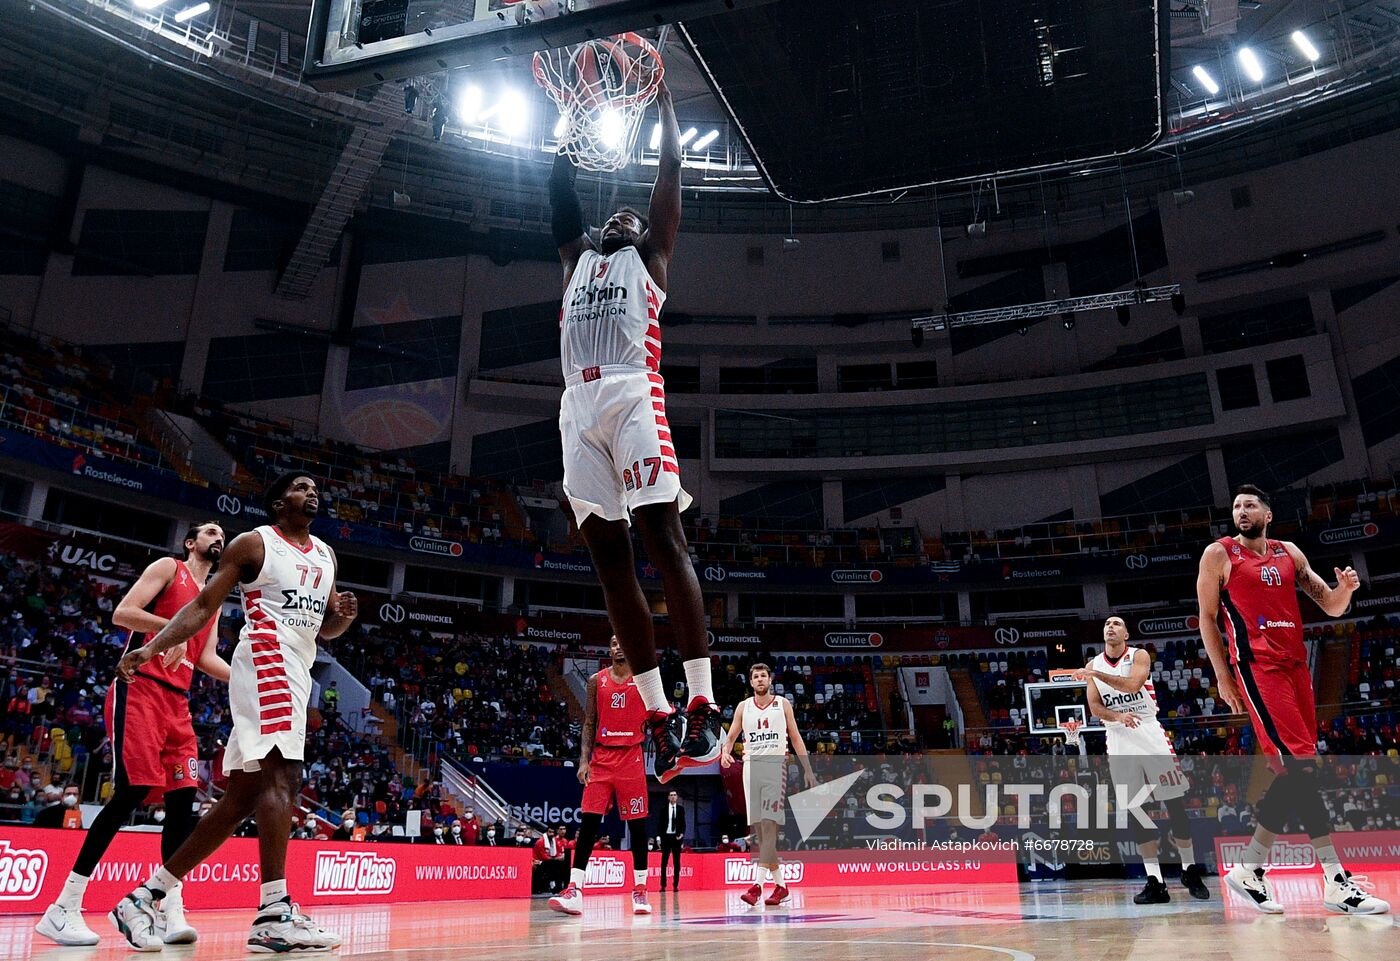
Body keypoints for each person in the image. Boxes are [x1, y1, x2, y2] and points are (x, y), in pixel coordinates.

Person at [547, 77, 720, 783]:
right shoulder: (576, 260)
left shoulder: (649, 260)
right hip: (576, 409)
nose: (621, 217)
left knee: (661, 537)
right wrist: (571, 118)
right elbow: (558, 189)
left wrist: (664, 102)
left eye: (631, 215)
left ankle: (703, 701)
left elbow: (670, 170)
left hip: (630, 393)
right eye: (612, 215)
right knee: (609, 562)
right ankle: (658, 714)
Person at [108, 473, 360, 950]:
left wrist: (342, 617)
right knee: (283, 776)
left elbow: (324, 629)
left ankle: (143, 898)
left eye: (315, 488)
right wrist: (152, 647)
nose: (312, 492)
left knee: (241, 798)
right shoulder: (254, 544)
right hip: (267, 659)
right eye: (301, 486)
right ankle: (273, 912)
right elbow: (204, 605)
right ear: (278, 501)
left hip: (297, 664)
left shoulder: (326, 555)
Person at [1197, 484, 1388, 916]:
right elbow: (1207, 618)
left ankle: (1249, 869)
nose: (1241, 511)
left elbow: (1331, 606)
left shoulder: (1289, 553)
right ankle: (1336, 880)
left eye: (1250, 505)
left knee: (1295, 770)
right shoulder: (1219, 554)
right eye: (1236, 506)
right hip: (1258, 667)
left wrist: (1345, 589)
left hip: (1297, 667)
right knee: (1300, 765)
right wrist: (1223, 676)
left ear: (1267, 514)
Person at [36, 522, 229, 948]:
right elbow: (122, 612)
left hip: (178, 703)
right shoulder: (168, 568)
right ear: (191, 542)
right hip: (139, 687)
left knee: (183, 801)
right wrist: (172, 629)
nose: (219, 538)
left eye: (223, 535)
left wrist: (249, 681)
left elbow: (206, 657)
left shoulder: (213, 600)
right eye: (211, 532)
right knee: (132, 792)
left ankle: (169, 909)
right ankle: (64, 906)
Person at [1076, 616, 1209, 904]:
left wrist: (1095, 675)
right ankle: (1155, 881)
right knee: (1137, 809)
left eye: (1117, 623)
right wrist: (1117, 716)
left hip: (1148, 730)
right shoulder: (1093, 664)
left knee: (1174, 803)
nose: (1111, 627)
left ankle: (1189, 869)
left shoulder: (1138, 655)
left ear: (1126, 633)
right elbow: (1095, 707)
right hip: (1118, 736)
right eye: (1107, 624)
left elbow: (1134, 685)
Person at [550, 637, 653, 916]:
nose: (618, 647)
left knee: (637, 826)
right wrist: (584, 760)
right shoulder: (597, 680)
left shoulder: (645, 680)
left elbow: (658, 717)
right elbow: (589, 722)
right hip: (602, 757)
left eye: (622, 642)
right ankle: (574, 890)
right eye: (613, 643)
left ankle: (640, 891)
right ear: (609, 649)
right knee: (589, 823)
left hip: (632, 756)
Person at [720, 662, 816, 908]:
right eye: (756, 676)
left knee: (768, 826)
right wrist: (725, 752)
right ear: (751, 682)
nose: (760, 679)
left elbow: (796, 737)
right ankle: (781, 887)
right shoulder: (743, 707)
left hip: (774, 766)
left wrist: (807, 769)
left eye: (763, 675)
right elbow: (730, 736)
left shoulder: (782, 704)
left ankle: (757, 886)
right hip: (750, 768)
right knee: (761, 834)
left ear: (770, 680)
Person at [657, 790, 685, 892]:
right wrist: (659, 837)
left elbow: (683, 823)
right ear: (668, 797)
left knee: (676, 862)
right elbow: (660, 824)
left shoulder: (681, 809)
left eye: (674, 795)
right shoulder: (663, 809)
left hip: (676, 838)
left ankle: (675, 885)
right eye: (671, 795)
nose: (673, 797)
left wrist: (681, 834)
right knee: (664, 862)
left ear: (677, 797)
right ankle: (663, 885)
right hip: (666, 837)